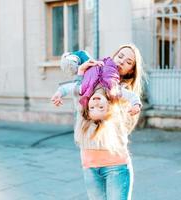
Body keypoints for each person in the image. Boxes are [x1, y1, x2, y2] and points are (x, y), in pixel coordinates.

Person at [51, 44, 145, 199]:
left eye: (129, 62)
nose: (122, 61)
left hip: (116, 166)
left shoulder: (117, 91)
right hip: (90, 165)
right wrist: (81, 75)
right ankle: (72, 57)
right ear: (113, 56)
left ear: (131, 71)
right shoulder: (91, 81)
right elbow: (81, 112)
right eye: (120, 56)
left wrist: (135, 104)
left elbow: (127, 100)